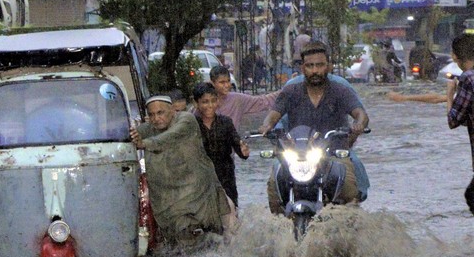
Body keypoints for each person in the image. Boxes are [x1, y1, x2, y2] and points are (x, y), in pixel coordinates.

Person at [258, 41, 369, 213]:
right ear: (303, 68)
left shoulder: (340, 90)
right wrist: (266, 126)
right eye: (310, 66)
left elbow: (360, 114)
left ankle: (351, 227)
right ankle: (278, 229)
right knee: (274, 184)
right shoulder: (291, 91)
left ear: (329, 66)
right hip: (298, 154)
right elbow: (273, 115)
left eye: (319, 65)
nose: (315, 70)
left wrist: (359, 124)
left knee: (348, 187)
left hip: (333, 153)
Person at [130, 95, 234, 244]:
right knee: (181, 239)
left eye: (160, 113)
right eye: (151, 115)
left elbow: (170, 137)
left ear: (172, 110)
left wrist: (144, 143)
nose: (156, 118)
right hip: (170, 199)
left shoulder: (186, 120)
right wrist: (133, 136)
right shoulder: (148, 129)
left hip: (199, 193)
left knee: (216, 235)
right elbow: (127, 136)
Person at [192, 82, 248, 208]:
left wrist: (243, 150)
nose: (210, 105)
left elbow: (237, 143)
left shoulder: (226, 122)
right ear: (196, 103)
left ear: (218, 101)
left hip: (225, 178)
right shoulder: (191, 125)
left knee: (231, 214)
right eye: (205, 102)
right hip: (200, 180)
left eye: (213, 101)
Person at [445, 33, 474, 215]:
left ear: (455, 56)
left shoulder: (467, 78)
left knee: (472, 196)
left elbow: (454, 120)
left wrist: (450, 94)